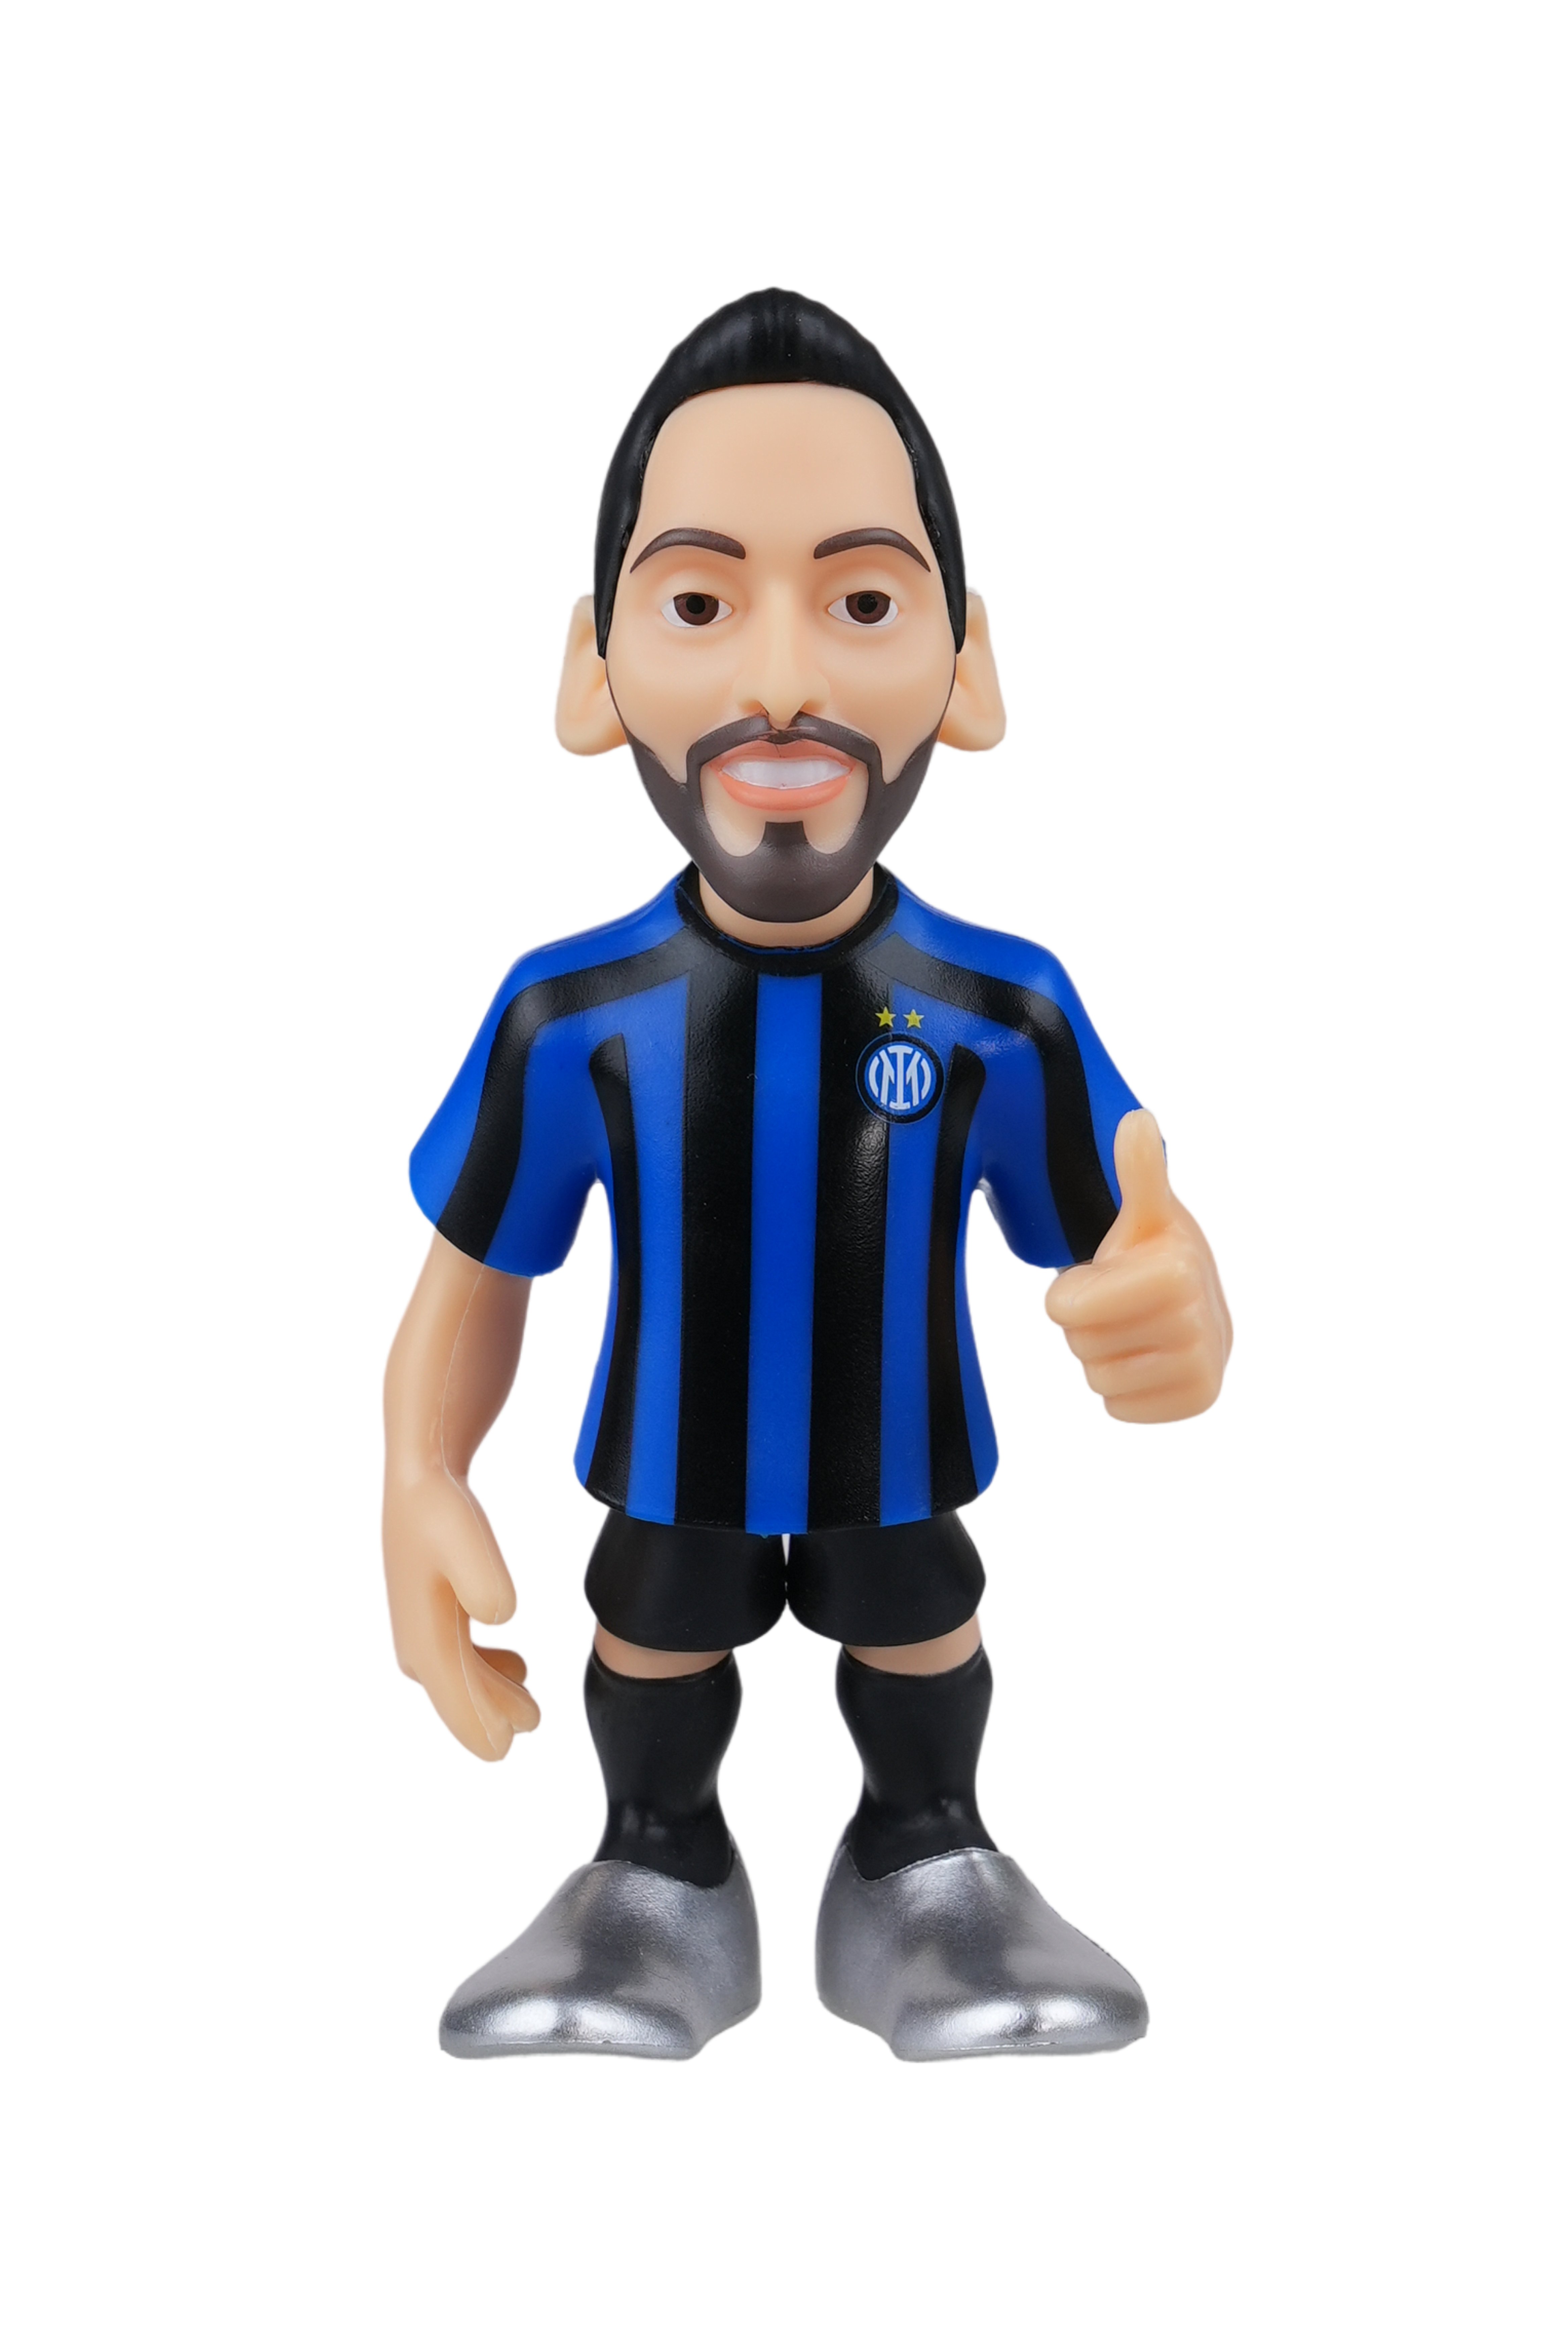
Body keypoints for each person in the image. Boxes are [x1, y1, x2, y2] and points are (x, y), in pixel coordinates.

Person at [383, 289, 1231, 2061]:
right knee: (656, 1635)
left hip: (892, 1449)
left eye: (861, 602)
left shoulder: (1002, 1014)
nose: (782, 677)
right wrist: (419, 1470)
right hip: (672, 1455)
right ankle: (655, 1875)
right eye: (700, 603)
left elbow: (1127, 1228)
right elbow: (480, 1268)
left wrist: (1184, 1310)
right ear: (596, 670)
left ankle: (927, 1863)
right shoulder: (571, 1020)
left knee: (920, 1625)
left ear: (965, 666)